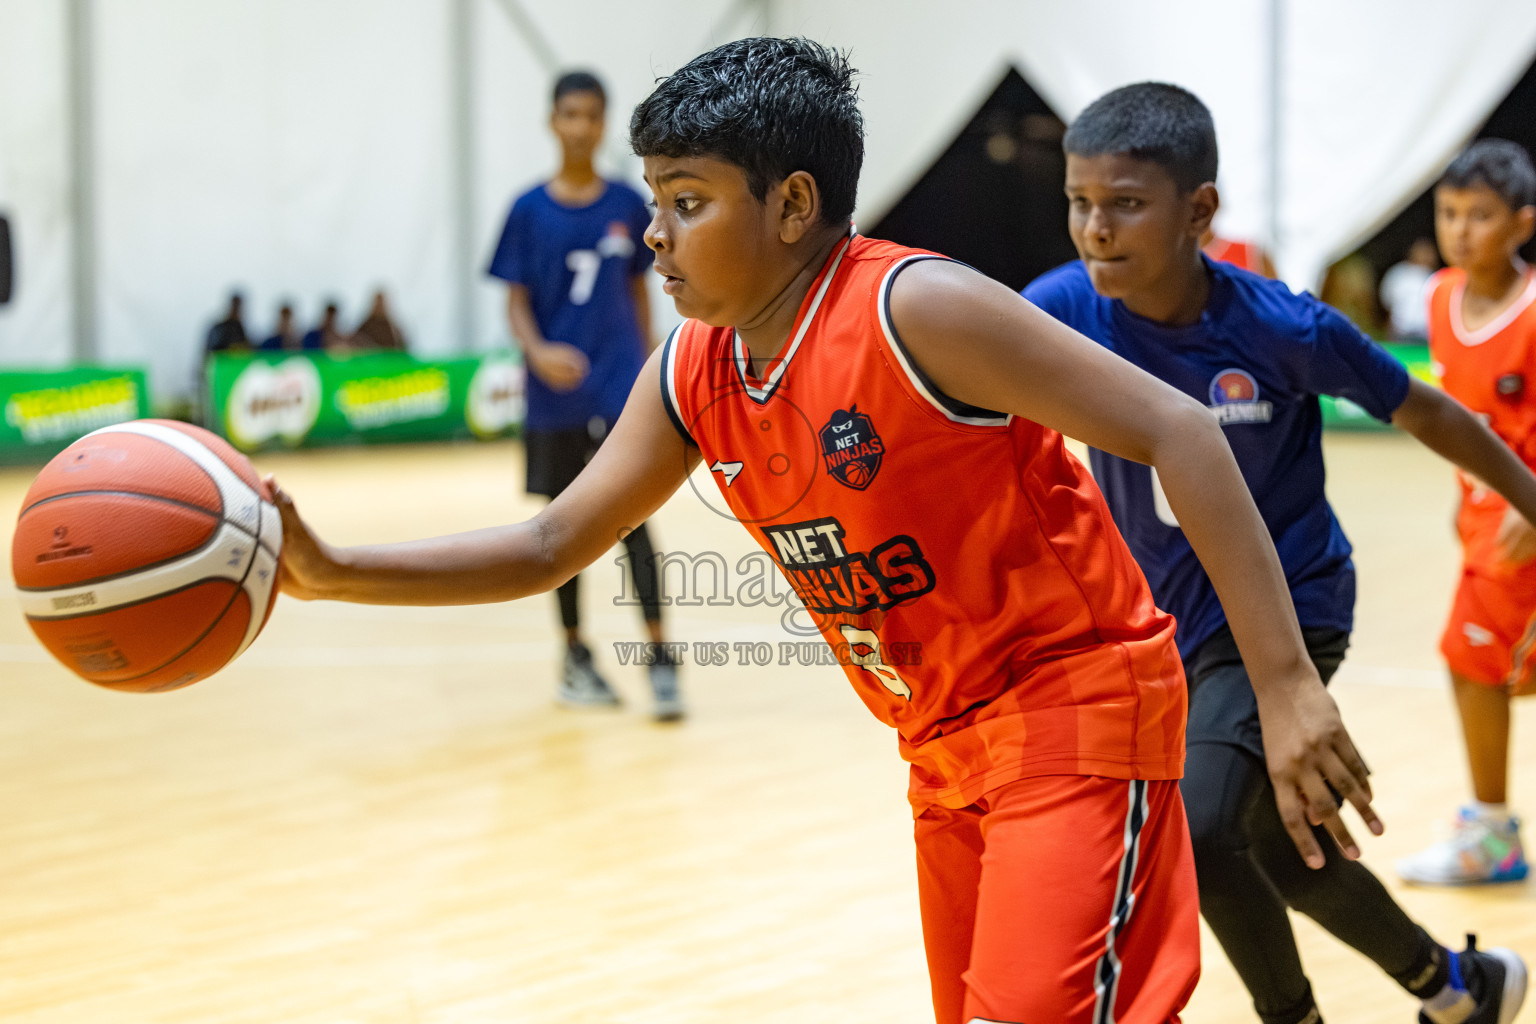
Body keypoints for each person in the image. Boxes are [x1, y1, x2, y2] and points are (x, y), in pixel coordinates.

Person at [272, 39, 1388, 1024]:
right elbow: (551, 543)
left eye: (688, 201)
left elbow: (1185, 434)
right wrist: (328, 573)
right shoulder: (696, 367)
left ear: (794, 204)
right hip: (939, 749)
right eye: (654, 200)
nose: (655, 235)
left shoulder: (918, 310)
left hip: (1072, 712)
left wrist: (1287, 686)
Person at [1022, 82, 1530, 1024]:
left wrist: (1532, 498)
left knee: (1205, 828)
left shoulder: (1279, 327)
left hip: (1291, 609)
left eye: (1126, 203)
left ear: (1199, 212)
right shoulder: (1059, 309)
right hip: (1171, 624)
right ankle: (1462, 989)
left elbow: (1426, 408)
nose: (1095, 227)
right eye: (1079, 202)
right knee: (1276, 840)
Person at [486, 70, 681, 719]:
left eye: (592, 115)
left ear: (604, 123)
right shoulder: (527, 210)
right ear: (552, 120)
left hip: (617, 389)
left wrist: (647, 358)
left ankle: (660, 660)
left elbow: (637, 288)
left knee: (633, 524)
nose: (581, 127)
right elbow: (515, 301)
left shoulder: (628, 203)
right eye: (570, 114)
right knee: (561, 533)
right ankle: (574, 655)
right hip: (554, 399)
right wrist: (538, 353)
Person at [1397, 139, 1536, 887]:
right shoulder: (1441, 296)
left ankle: (1492, 833)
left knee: (1470, 659)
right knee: (1491, 667)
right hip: (1484, 520)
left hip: (1526, 523)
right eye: (1449, 213)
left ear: (1521, 224)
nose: (1461, 229)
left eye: (1480, 216)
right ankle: (1492, 826)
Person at [1380, 237, 1440, 339]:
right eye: (1423, 251)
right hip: (1400, 332)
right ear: (1413, 252)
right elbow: (1388, 306)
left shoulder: (1436, 278)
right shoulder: (1398, 273)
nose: (1427, 256)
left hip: (1425, 336)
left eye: (1429, 253)